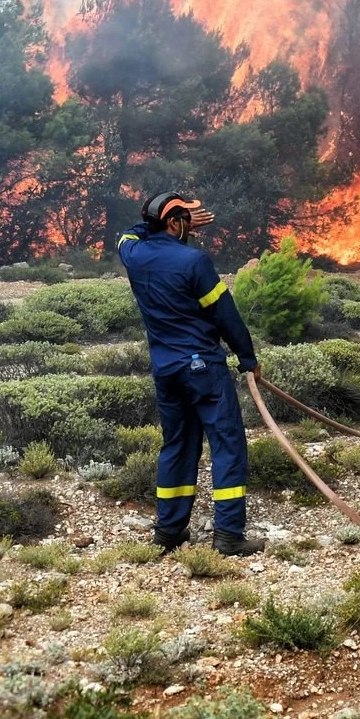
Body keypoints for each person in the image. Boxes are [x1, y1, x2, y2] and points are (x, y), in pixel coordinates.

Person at [117, 192, 264, 557]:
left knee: (178, 445)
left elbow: (127, 234)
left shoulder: (134, 255)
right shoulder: (194, 261)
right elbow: (224, 314)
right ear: (175, 223)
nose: (190, 227)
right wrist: (247, 358)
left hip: (166, 370)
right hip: (202, 368)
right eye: (184, 220)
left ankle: (169, 532)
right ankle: (228, 534)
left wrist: (159, 220)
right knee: (227, 443)